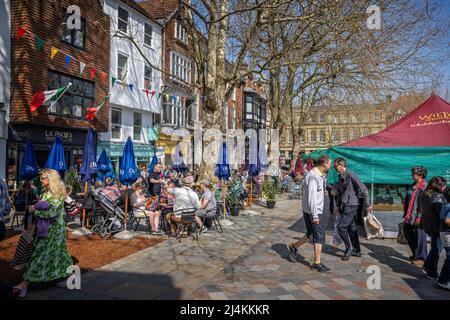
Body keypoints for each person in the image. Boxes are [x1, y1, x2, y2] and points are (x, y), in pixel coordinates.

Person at [13, 169, 73, 298]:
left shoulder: (56, 193)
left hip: (53, 230)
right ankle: (62, 278)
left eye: (43, 178)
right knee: (59, 253)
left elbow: (51, 213)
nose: (41, 180)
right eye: (41, 178)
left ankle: (25, 284)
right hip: (51, 229)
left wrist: (34, 210)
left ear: (50, 179)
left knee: (39, 254)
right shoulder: (47, 192)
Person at [286, 154, 332, 273]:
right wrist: (315, 215)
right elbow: (311, 197)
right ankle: (317, 263)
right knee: (319, 236)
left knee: (311, 234)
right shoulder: (313, 176)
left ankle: (294, 247)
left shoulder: (320, 175)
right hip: (313, 211)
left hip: (314, 210)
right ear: (324, 164)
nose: (331, 165)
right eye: (329, 163)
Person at [333, 157, 372, 261]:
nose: (334, 167)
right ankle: (357, 250)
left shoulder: (351, 174)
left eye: (335, 165)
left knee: (341, 227)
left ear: (341, 166)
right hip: (344, 205)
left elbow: (364, 189)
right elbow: (340, 192)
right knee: (352, 229)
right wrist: (337, 205)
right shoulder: (340, 176)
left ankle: (348, 248)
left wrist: (368, 205)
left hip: (351, 205)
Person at [420, 176, 447, 279]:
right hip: (437, 228)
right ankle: (431, 272)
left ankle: (427, 265)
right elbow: (442, 215)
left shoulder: (426, 194)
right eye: (443, 185)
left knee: (435, 248)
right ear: (439, 186)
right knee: (436, 249)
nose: (445, 188)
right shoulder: (438, 197)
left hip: (429, 226)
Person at [402, 166, 428, 265]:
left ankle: (422, 257)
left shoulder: (424, 186)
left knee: (420, 236)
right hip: (409, 215)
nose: (412, 175)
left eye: (414, 173)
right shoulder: (413, 184)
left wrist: (419, 217)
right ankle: (415, 253)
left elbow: (423, 204)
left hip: (418, 216)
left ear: (421, 175)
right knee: (407, 232)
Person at [436, 188, 450, 290]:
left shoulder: (445, 205)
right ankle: (443, 281)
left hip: (444, 233)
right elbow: (448, 220)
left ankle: (443, 280)